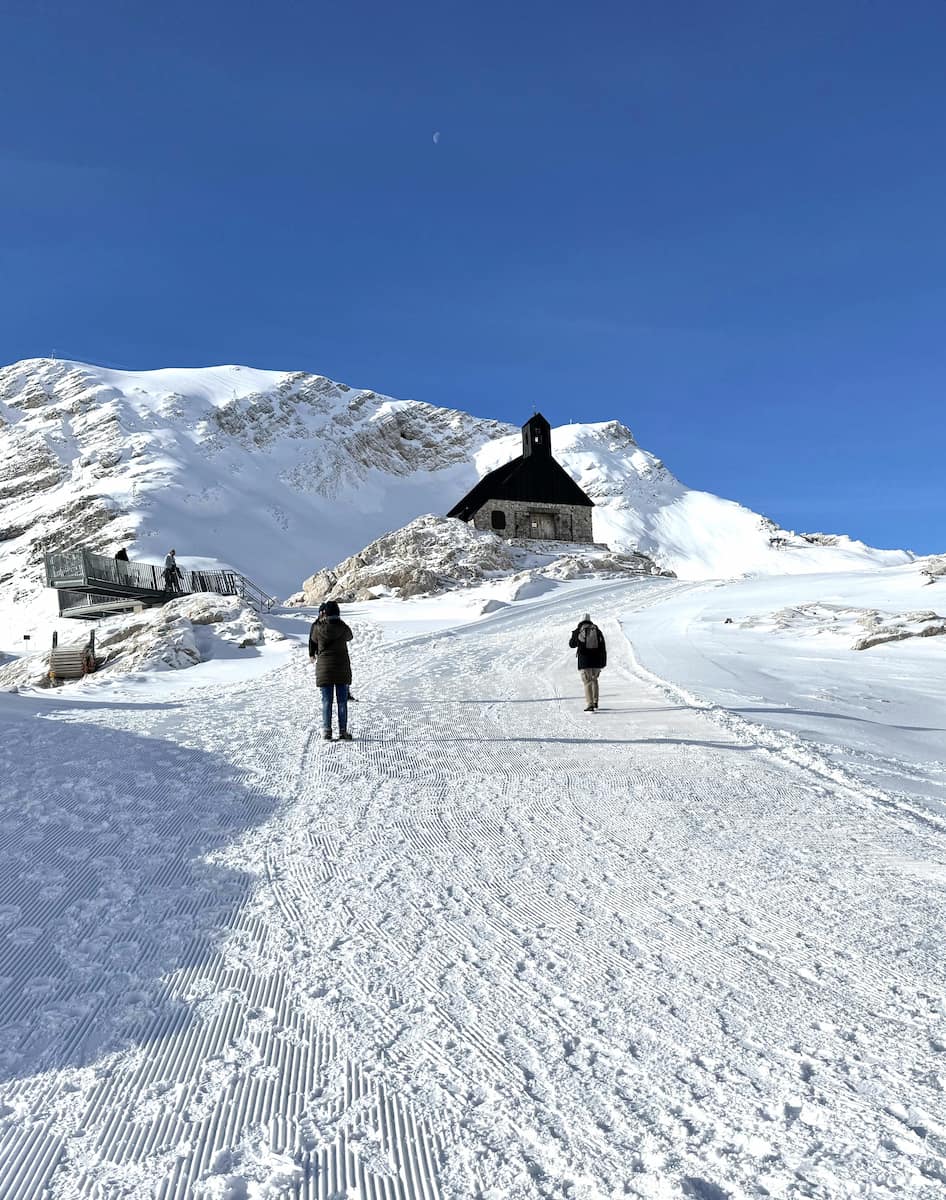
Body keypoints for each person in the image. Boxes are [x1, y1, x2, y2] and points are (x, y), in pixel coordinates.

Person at [309, 599, 354, 740]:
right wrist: (340, 622)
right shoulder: (343, 627)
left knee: (326, 702)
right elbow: (350, 636)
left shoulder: (318, 628)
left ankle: (327, 731)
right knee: (342, 701)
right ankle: (342, 731)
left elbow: (313, 639)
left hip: (324, 670)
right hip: (341, 668)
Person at [568, 612, 607, 711]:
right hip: (597, 661)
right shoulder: (597, 630)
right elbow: (603, 647)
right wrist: (603, 662)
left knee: (587, 682)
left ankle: (590, 705)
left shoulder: (578, 630)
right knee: (594, 680)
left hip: (584, 661)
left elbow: (571, 644)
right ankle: (595, 702)